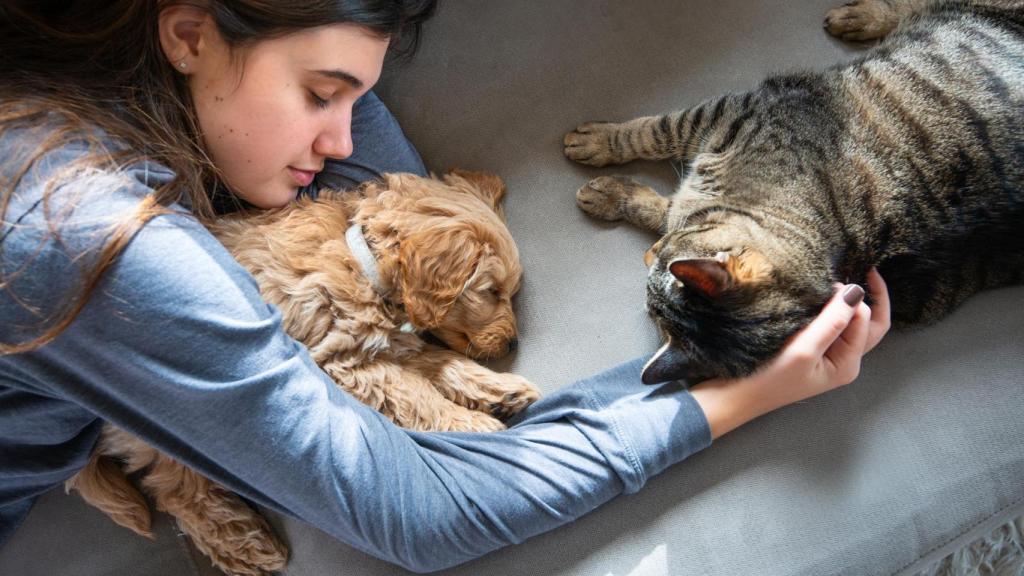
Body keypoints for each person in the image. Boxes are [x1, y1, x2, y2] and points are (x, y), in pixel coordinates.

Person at [0, 1, 891, 572]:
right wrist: (741, 396)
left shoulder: (106, 80)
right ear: (189, 32)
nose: (344, 144)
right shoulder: (87, 230)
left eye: (354, 98)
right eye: (322, 93)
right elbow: (424, 512)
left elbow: (394, 198)